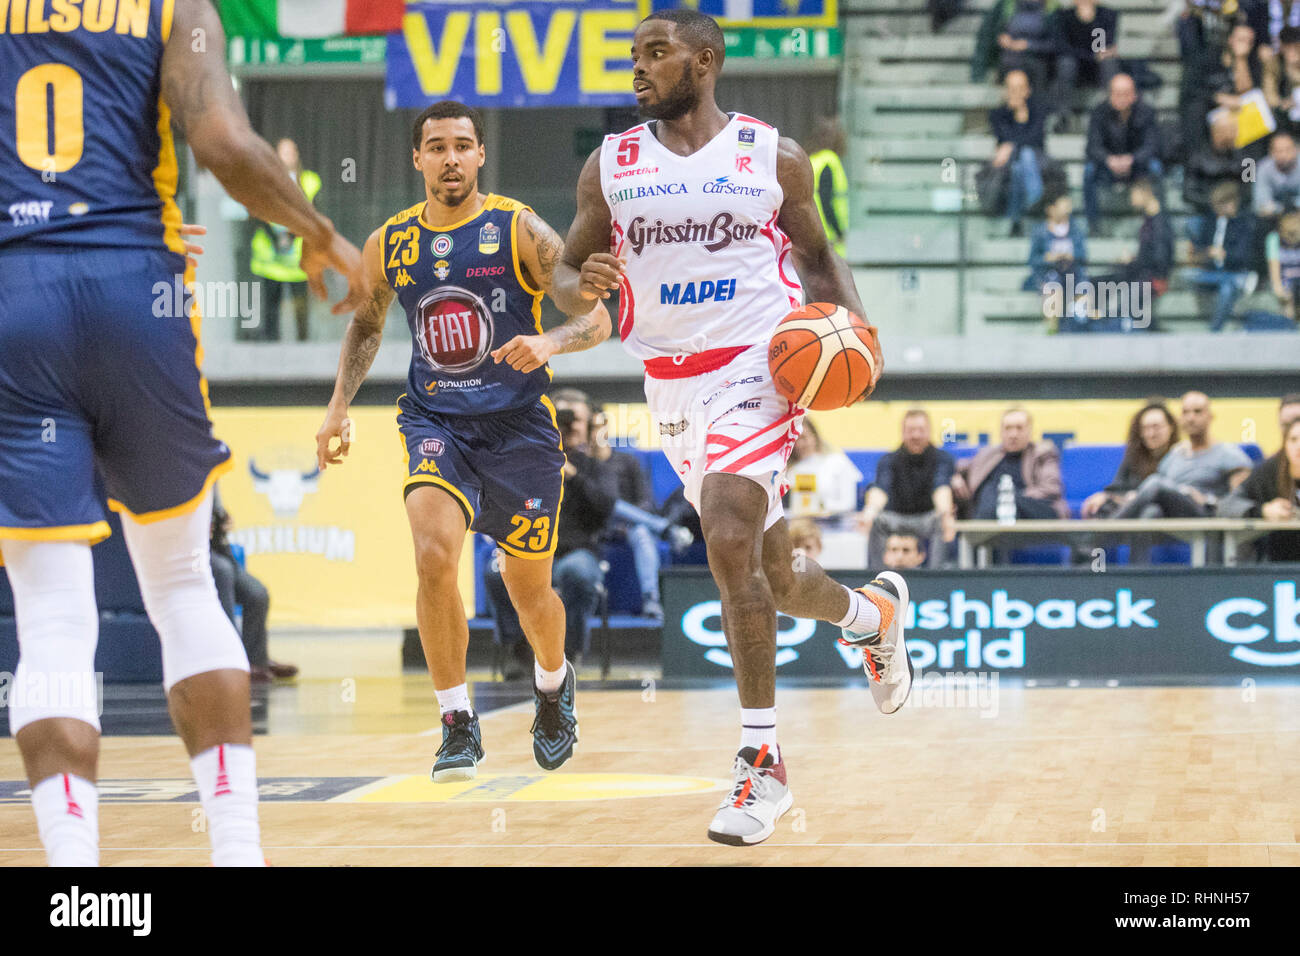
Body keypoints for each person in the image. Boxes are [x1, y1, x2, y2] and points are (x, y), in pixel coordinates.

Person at [0, 0, 365, 867]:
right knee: (184, 587)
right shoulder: (175, 9)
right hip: (138, 288)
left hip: (14, 299)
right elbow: (227, 148)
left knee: (50, 616)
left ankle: (74, 878)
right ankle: (237, 851)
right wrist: (319, 236)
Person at [551, 9, 910, 848]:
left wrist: (859, 331)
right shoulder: (611, 165)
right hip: (670, 383)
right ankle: (869, 618)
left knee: (724, 534)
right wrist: (581, 283)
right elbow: (568, 270)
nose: (637, 68)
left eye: (655, 53)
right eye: (632, 54)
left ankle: (762, 763)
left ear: (704, 60)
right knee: (776, 579)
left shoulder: (770, 155)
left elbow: (819, 259)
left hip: (759, 363)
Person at [314, 100, 612, 782]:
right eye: (437, 146)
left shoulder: (518, 229)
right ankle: (456, 720)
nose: (450, 157)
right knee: (431, 555)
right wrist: (337, 408)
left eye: (462, 146)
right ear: (417, 159)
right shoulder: (389, 242)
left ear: (481, 155)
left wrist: (548, 341)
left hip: (519, 430)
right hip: (434, 421)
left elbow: (594, 318)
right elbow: (366, 324)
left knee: (526, 587)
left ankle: (552, 682)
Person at [484, 390, 614, 664]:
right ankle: (519, 650)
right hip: (529, 549)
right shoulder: (526, 463)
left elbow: (606, 508)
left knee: (576, 573)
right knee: (496, 571)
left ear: (588, 425)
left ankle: (568, 654)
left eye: (574, 420)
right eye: (560, 418)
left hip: (577, 551)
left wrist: (573, 476)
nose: (567, 426)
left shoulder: (596, 467)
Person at [584, 398, 693, 621]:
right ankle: (665, 529)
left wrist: (627, 522)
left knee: (642, 533)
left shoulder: (627, 461)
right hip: (595, 524)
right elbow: (587, 506)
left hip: (630, 525)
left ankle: (651, 599)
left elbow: (645, 501)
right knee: (611, 504)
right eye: (590, 427)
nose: (595, 432)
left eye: (598, 426)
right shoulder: (581, 465)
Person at [1113, 391, 1253, 518]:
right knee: (1150, 512)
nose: (1191, 418)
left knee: (1156, 482)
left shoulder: (1229, 455)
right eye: (1185, 412)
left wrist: (1207, 500)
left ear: (1210, 417)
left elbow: (1239, 503)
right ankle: (1128, 544)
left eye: (1197, 412)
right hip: (1175, 515)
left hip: (1205, 514)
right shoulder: (1174, 455)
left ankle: (1101, 535)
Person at [209, 488, 296, 683]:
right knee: (223, 574)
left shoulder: (212, 475)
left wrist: (222, 520)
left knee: (257, 593)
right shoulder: (181, 470)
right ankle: (232, 659)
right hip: (191, 551)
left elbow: (217, 512)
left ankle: (257, 661)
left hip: (217, 548)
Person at [859, 409, 957, 567]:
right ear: (903, 432)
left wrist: (946, 513)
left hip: (927, 518)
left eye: (921, 430)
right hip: (896, 518)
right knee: (876, 521)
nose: (916, 435)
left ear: (929, 431)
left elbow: (942, 486)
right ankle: (877, 575)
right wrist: (869, 511)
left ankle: (937, 575)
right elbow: (881, 488)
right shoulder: (889, 459)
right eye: (911, 430)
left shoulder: (942, 458)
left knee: (942, 520)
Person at [248, 137, 321, 342]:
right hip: (270, 261)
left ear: (296, 155)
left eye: (290, 152)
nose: (286, 157)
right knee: (271, 310)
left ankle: (304, 350)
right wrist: (276, 239)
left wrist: (291, 236)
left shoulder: (310, 181)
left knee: (301, 310)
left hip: (298, 261)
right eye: (282, 152)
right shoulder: (263, 180)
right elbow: (257, 214)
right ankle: (271, 353)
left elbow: (314, 215)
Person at [952, 407, 1070, 520]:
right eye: (1008, 428)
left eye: (1019, 428)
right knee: (988, 494)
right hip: (989, 512)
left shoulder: (1042, 453)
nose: (1013, 434)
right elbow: (954, 466)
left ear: (1030, 431)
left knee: (1001, 499)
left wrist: (1011, 498)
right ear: (1001, 432)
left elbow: (1051, 488)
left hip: (1031, 512)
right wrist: (954, 476)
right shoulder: (987, 454)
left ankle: (980, 534)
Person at [1083, 73, 1163, 234]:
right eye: (1117, 94)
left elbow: (1152, 145)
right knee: (1088, 171)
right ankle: (1094, 225)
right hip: (1108, 166)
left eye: (1126, 93)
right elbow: (1092, 146)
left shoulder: (1146, 112)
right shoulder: (1099, 112)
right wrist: (1108, 160)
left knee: (1156, 168)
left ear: (1134, 95)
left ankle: (1158, 222)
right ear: (1110, 95)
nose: (1121, 98)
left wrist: (1132, 159)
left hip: (1136, 166)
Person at [1219, 415, 1300, 560]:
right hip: (1276, 560)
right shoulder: (1269, 470)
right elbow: (1226, 505)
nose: (1298, 446)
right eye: (1293, 440)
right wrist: (1263, 511)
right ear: (1285, 444)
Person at [1081, 400, 1180, 518]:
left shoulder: (1179, 456)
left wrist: (1137, 496)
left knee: (1152, 511)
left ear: (1171, 427)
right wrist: (1106, 496)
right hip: (1129, 510)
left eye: (1156, 427)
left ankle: (1103, 533)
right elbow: (1115, 489)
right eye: (1145, 428)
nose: (1151, 434)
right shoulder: (1133, 456)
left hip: (1165, 513)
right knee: (1101, 506)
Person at [1186, 181, 1258, 331]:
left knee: (1227, 289)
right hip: (1212, 273)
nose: (1215, 209)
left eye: (1220, 205)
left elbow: (1244, 256)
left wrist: (1225, 255)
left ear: (1232, 203)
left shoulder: (1244, 224)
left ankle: (1215, 331)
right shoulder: (1211, 221)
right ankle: (1238, 281)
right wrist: (1201, 252)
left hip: (1233, 269)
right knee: (1187, 274)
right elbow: (1202, 246)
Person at [989, 70, 1049, 234]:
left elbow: (1035, 138)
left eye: (1020, 88)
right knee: (1017, 166)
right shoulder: (998, 114)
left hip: (1038, 161)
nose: (1016, 93)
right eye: (1012, 88)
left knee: (1026, 156)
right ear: (1006, 91)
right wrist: (1015, 113)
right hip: (1007, 166)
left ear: (1028, 90)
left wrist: (1012, 145)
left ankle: (1016, 220)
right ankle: (1035, 203)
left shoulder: (1038, 110)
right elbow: (1003, 136)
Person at [1050, 0, 1122, 126]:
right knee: (1066, 63)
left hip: (1096, 68)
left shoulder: (1107, 15)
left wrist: (1092, 20)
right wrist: (1092, 55)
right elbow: (1063, 47)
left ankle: (1110, 112)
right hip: (1073, 65)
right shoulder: (1063, 15)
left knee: (1109, 62)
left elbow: (1102, 45)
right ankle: (1063, 115)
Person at [784, 419, 865, 521]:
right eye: (795, 440)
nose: (799, 445)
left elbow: (848, 503)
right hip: (799, 527)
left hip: (836, 526)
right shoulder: (788, 471)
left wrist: (820, 507)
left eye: (804, 438)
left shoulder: (837, 462)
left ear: (814, 436)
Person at [1024, 193, 1090, 293]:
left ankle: (1080, 307)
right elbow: (1032, 260)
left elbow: (1083, 255)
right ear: (1051, 209)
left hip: (1073, 273)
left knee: (1083, 284)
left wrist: (1072, 256)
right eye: (1064, 207)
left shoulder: (1076, 230)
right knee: (1052, 282)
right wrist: (1047, 258)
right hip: (1048, 273)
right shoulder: (1040, 232)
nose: (1068, 211)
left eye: (1068, 207)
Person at [806, 117, 850, 258]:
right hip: (829, 237)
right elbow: (826, 201)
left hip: (812, 233)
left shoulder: (812, 160)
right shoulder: (829, 161)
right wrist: (838, 231)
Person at [1253, 131, 1300, 218]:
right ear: (1271, 152)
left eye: (1288, 150)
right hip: (1273, 218)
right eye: (1278, 151)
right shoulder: (1263, 168)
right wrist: (1283, 208)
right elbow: (1261, 204)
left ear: (1296, 150)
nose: (1283, 155)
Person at [1266, 208, 1300, 315]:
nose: (1291, 238)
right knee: (1286, 297)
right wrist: (1280, 291)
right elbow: (1274, 269)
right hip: (1284, 280)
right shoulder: (1274, 239)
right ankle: (1290, 326)